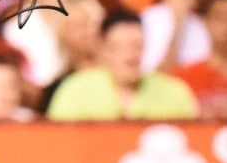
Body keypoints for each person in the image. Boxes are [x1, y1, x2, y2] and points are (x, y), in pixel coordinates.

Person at [46, 9, 199, 120]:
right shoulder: (75, 91)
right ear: (103, 50)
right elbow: (59, 141)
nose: (130, 56)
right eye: (119, 47)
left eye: (137, 46)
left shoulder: (174, 93)